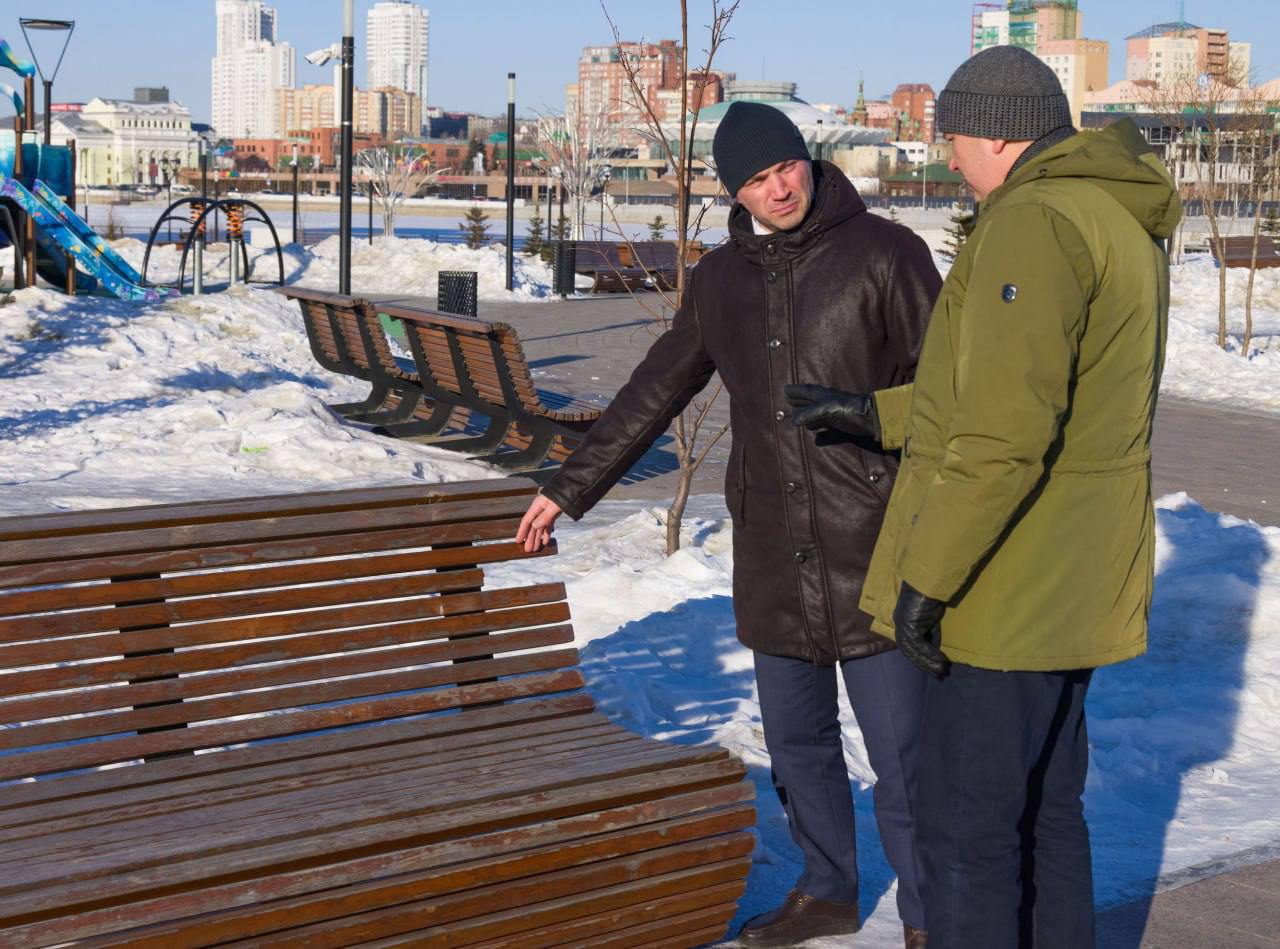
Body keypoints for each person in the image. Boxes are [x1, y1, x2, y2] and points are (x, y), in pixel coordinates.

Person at [515, 101, 940, 948]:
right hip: (776, 544)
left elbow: (951, 391)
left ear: (808, 161)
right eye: (755, 179)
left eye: (786, 167)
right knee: (797, 741)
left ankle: (936, 913)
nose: (778, 188)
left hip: (877, 540)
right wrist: (570, 488)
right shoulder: (718, 280)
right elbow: (655, 387)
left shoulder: (888, 254)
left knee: (907, 755)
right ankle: (827, 889)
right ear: (733, 192)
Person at [854, 46, 1182, 948]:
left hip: (1009, 588)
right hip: (1076, 578)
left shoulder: (1031, 223)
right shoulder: (1110, 215)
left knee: (969, 833)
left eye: (954, 137)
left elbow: (1002, 434)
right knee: (1047, 811)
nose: (949, 158)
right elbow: (1012, 387)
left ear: (998, 134)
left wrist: (927, 578)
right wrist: (875, 413)